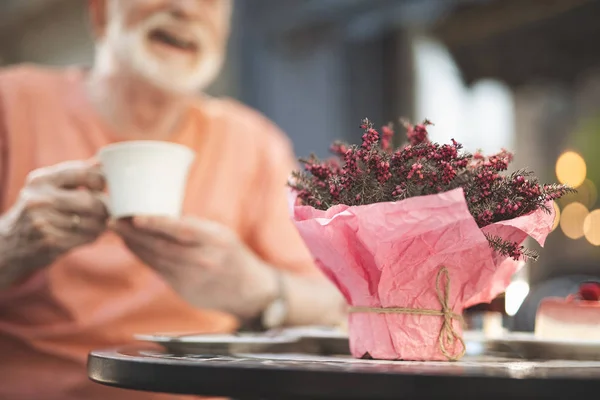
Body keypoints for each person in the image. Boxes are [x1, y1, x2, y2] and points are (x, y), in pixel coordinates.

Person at [0, 0, 346, 399]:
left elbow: (336, 303)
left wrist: (257, 287)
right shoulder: (13, 104)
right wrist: (10, 244)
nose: (185, 8)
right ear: (100, 15)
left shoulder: (252, 143)